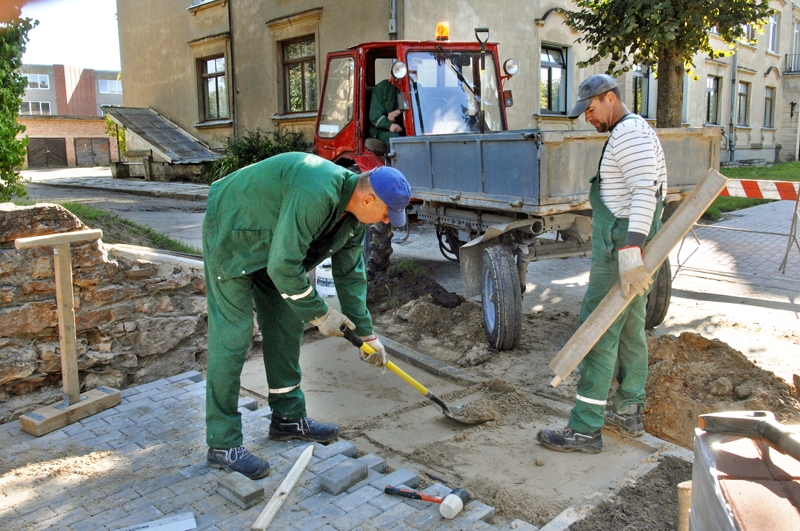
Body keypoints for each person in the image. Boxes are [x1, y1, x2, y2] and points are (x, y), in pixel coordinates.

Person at [203, 152, 412, 478]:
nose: (388, 222)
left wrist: (367, 334)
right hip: (234, 231)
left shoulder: (355, 220)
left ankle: (287, 418)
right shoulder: (317, 191)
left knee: (286, 323)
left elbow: (350, 276)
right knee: (234, 335)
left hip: (273, 243)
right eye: (387, 214)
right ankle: (222, 443)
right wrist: (320, 314)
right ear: (369, 199)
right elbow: (284, 266)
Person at [537, 74, 667, 454]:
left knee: (598, 328)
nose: (588, 118)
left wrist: (630, 250)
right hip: (631, 241)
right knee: (629, 328)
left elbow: (645, 192)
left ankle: (585, 428)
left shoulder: (627, 135)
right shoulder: (638, 129)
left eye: (591, 110)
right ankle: (628, 412)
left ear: (610, 99)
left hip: (620, 245)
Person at [368, 78, 404, 147]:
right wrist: (389, 125)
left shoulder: (415, 88)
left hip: (405, 129)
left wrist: (400, 111)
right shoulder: (383, 87)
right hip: (381, 129)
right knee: (396, 140)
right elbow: (375, 115)